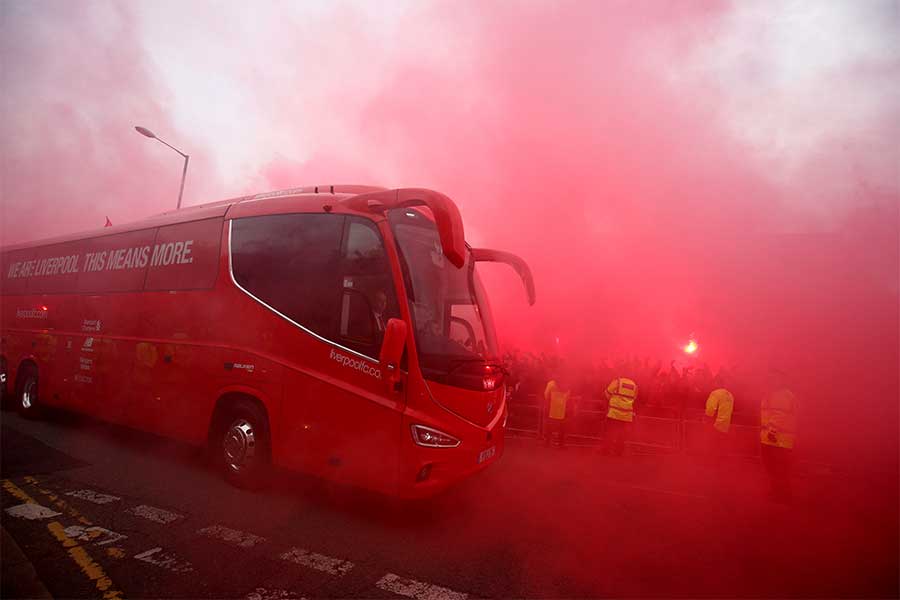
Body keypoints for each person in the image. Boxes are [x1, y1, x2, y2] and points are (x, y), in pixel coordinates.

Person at [760, 370, 797, 503]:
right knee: (776, 468)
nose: (770, 381)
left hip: (777, 439)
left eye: (774, 378)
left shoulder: (781, 395)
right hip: (775, 439)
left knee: (777, 468)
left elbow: (779, 414)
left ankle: (782, 495)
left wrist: (772, 431)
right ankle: (778, 492)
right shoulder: (776, 394)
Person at [604, 376, 637, 455]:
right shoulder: (634, 385)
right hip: (626, 414)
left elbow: (607, 393)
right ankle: (619, 451)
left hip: (614, 412)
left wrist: (612, 401)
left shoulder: (617, 381)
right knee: (622, 434)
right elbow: (634, 398)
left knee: (609, 432)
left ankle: (606, 450)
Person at [704, 379, 735, 456]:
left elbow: (711, 409)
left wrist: (707, 419)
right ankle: (720, 463)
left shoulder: (715, 393)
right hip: (726, 425)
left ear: (716, 383)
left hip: (715, 424)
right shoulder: (730, 395)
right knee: (721, 446)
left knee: (712, 445)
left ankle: (711, 463)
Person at [543, 378, 572, 448]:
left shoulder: (551, 383)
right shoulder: (567, 384)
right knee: (562, 426)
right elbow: (568, 397)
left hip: (552, 407)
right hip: (562, 408)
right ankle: (561, 443)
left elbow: (546, 394)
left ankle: (547, 442)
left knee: (550, 426)